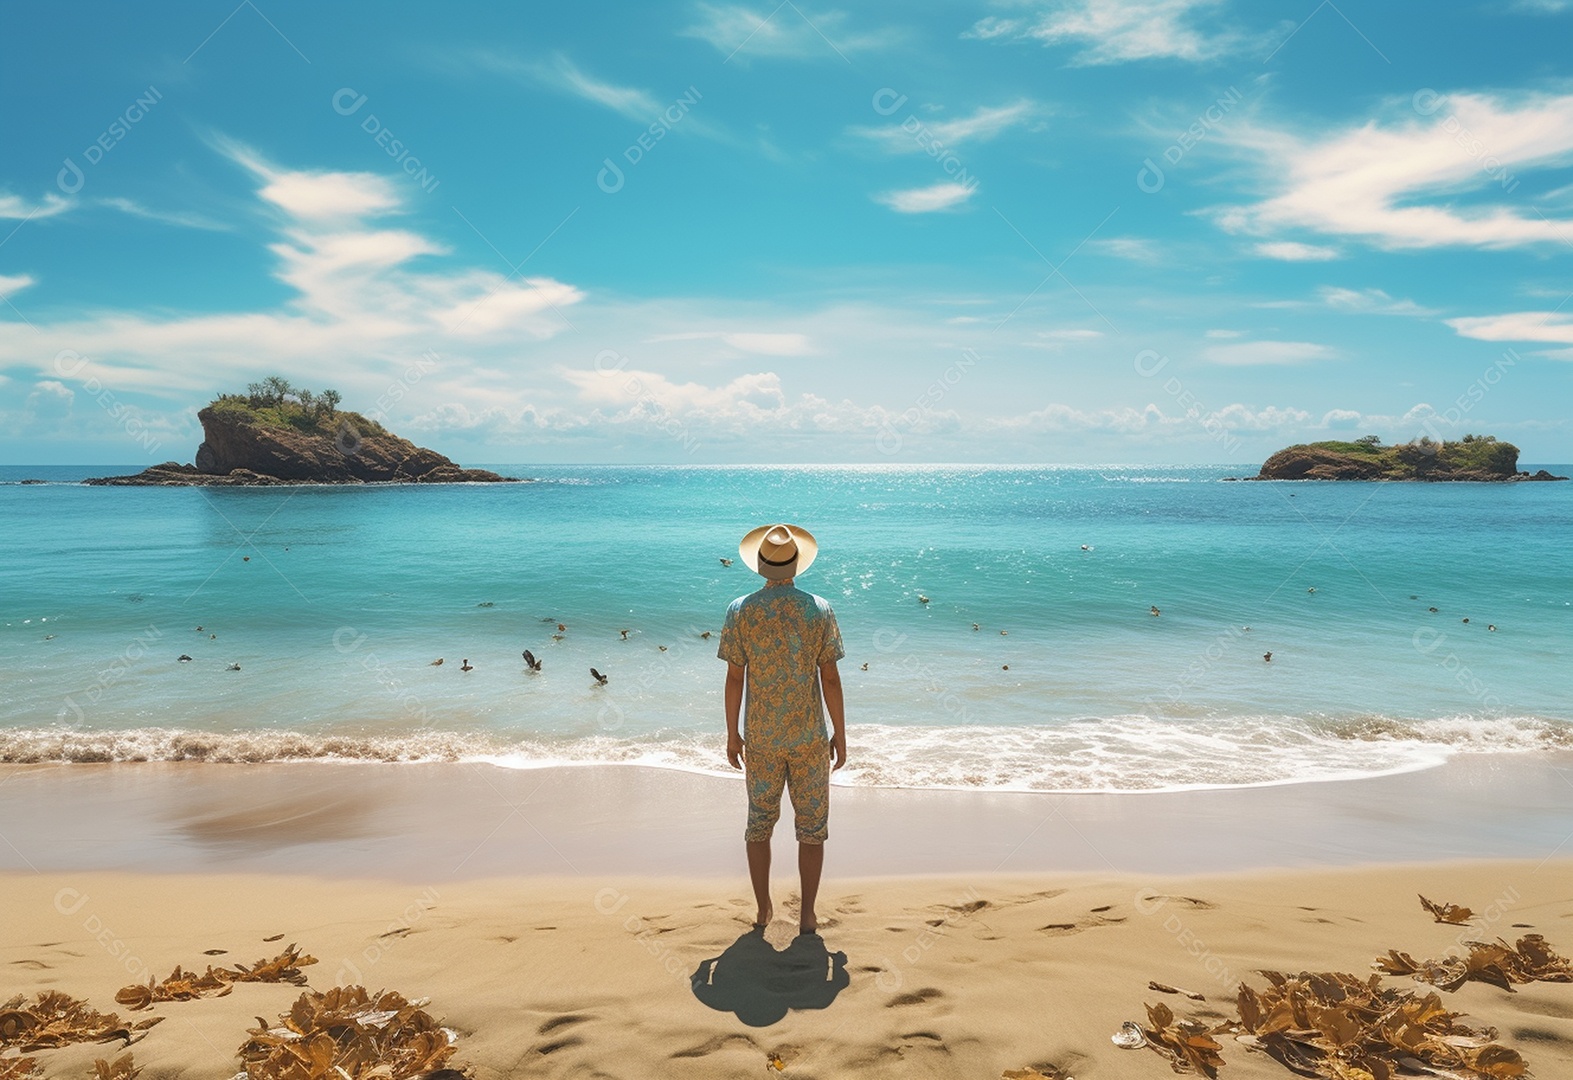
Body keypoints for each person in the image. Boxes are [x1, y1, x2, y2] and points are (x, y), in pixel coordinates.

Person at [717, 523, 847, 936]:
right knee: (811, 827)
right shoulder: (819, 609)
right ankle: (807, 914)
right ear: (797, 563)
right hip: (809, 737)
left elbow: (735, 677)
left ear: (760, 566)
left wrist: (732, 732)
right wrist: (840, 733)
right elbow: (829, 676)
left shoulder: (741, 610)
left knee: (759, 822)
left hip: (761, 737)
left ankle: (762, 910)